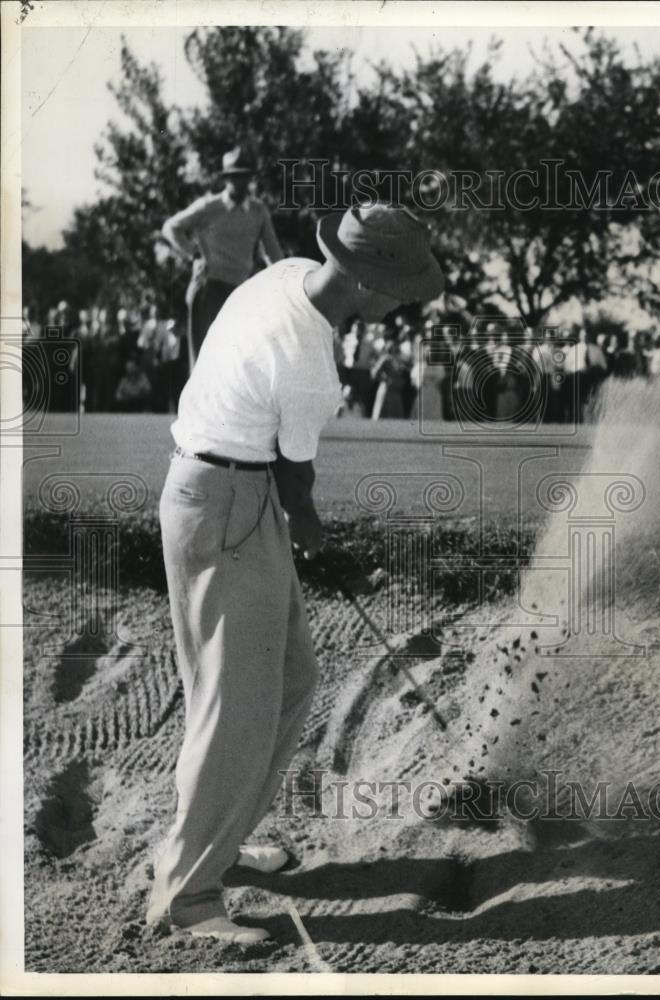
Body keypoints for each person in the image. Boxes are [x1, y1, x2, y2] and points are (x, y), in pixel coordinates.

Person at [146, 202, 444, 944]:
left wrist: (294, 523)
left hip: (214, 495)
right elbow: (296, 482)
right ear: (371, 286)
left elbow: (282, 473)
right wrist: (311, 533)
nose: (403, 303)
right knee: (237, 704)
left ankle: (222, 838)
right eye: (401, 289)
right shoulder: (312, 361)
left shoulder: (283, 273)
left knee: (287, 679)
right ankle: (189, 898)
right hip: (226, 506)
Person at [162, 147, 284, 372]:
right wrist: (193, 253)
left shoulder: (258, 212)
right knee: (202, 363)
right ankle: (197, 407)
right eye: (234, 176)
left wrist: (285, 282)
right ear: (226, 178)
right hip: (207, 289)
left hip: (238, 293)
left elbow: (273, 253)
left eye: (244, 176)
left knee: (234, 364)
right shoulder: (210, 206)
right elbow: (171, 227)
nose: (240, 182)